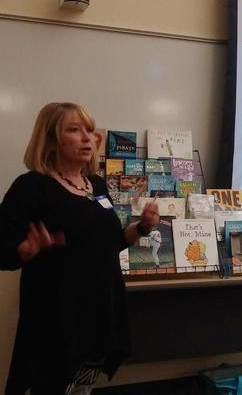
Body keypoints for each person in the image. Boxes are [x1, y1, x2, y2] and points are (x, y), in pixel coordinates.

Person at [0, 102, 159, 395]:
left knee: (81, 389)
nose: (88, 138)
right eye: (75, 130)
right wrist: (27, 248)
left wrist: (141, 228)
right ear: (51, 139)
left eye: (89, 130)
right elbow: (2, 250)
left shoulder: (95, 185)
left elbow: (111, 242)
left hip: (99, 313)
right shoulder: (31, 186)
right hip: (58, 320)